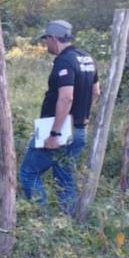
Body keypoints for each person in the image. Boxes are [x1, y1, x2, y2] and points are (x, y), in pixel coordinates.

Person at [19, 20, 100, 214]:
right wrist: (81, 118)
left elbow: (66, 97)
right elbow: (96, 92)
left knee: (28, 173)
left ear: (53, 38)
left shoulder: (64, 61)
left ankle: (42, 219)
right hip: (79, 128)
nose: (46, 44)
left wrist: (55, 133)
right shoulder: (86, 58)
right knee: (65, 178)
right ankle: (66, 225)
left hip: (57, 129)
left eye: (46, 39)